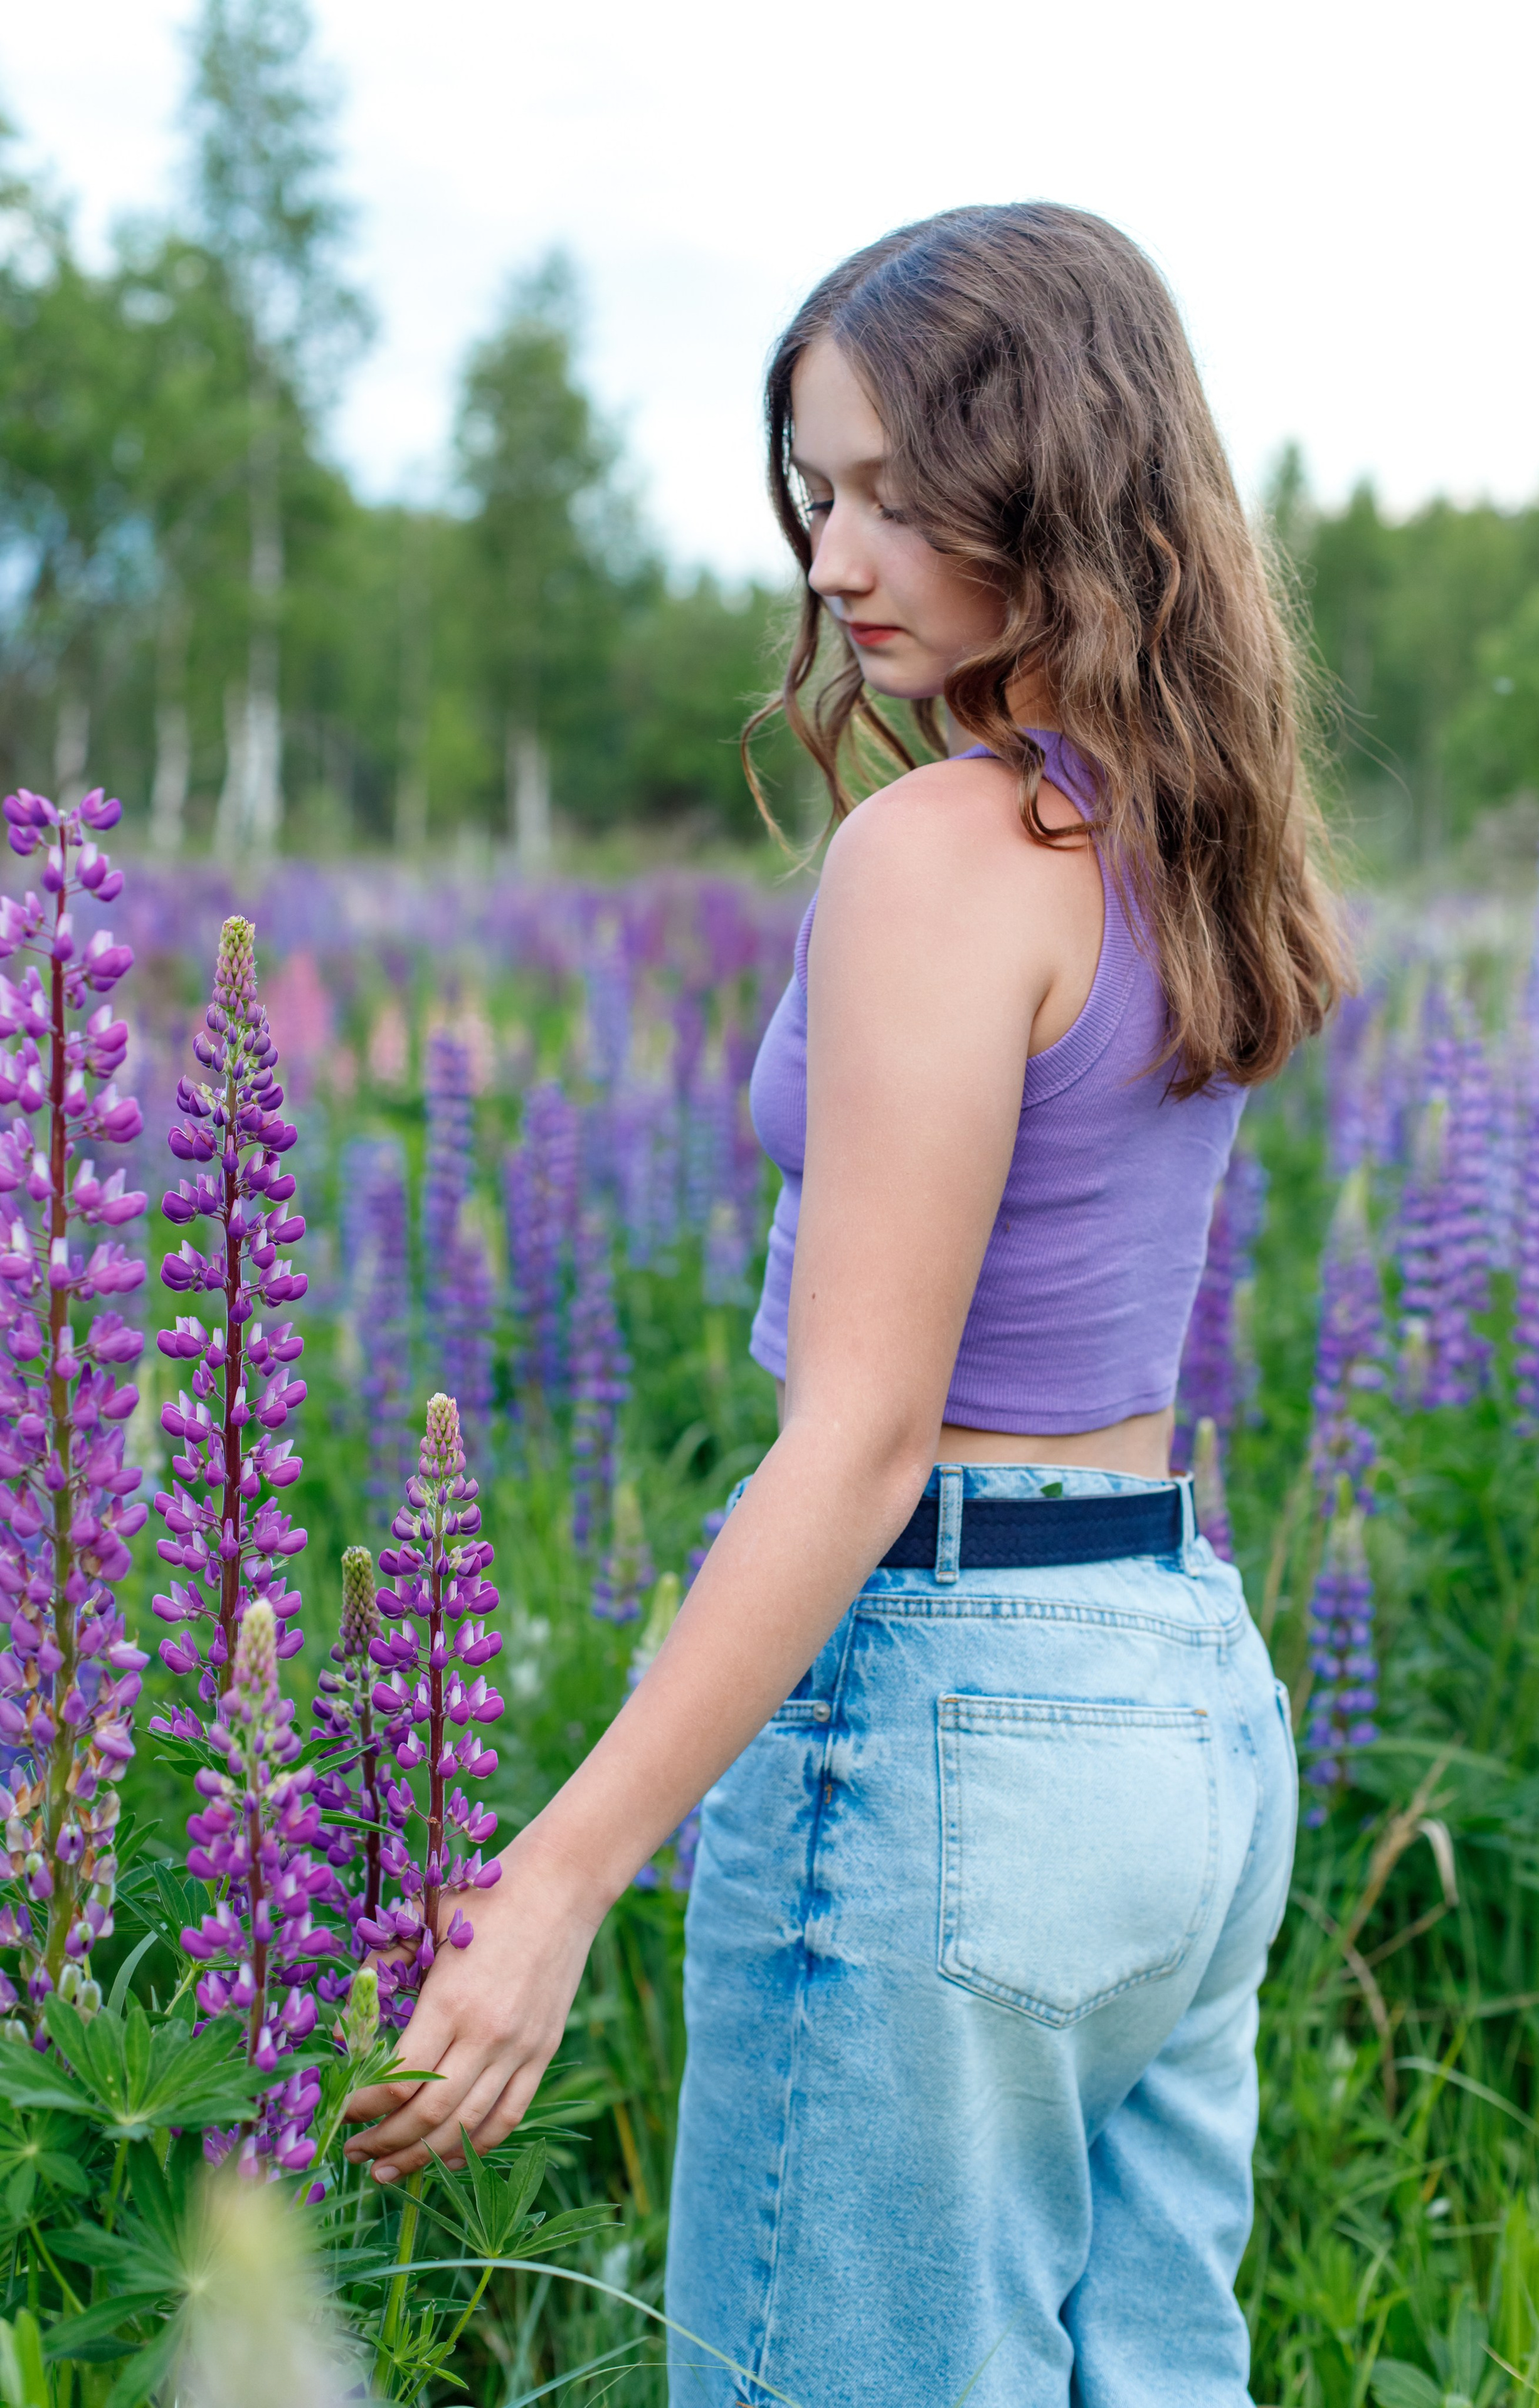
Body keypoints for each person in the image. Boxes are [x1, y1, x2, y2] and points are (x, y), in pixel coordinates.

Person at [345, 202, 1348, 2405]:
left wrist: (558, 1880)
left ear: (1054, 484)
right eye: (819, 492)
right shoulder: (1201, 839)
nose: (833, 555)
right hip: (1178, 1690)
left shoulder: (942, 856)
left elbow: (864, 1434)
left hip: (951, 1708)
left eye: (900, 493)